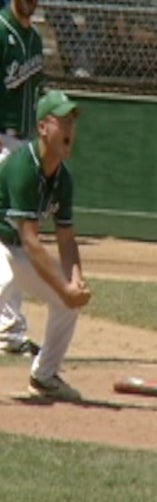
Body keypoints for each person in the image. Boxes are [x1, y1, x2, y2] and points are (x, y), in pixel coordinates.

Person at [0, 90, 91, 400]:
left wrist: (74, 280)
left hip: (18, 250)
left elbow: (66, 238)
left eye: (73, 122)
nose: (70, 129)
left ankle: (45, 375)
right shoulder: (23, 166)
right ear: (42, 128)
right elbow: (31, 239)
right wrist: (65, 286)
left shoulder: (63, 179)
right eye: (63, 121)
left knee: (68, 303)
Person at [0, 0, 44, 356]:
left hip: (25, 141)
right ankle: (9, 327)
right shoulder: (1, 31)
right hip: (1, 140)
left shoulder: (35, 40)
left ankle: (10, 326)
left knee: (14, 235)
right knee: (9, 235)